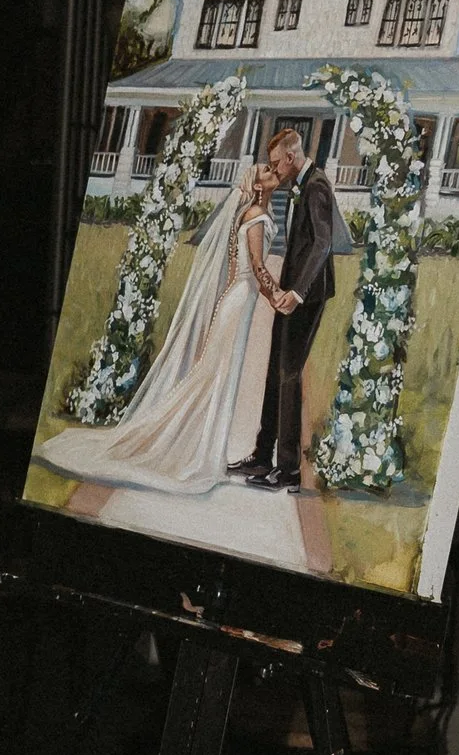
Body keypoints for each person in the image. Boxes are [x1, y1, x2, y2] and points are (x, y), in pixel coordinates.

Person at [40, 157, 275, 492]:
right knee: (220, 375)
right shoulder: (255, 216)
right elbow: (256, 265)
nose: (272, 173)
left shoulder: (251, 213)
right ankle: (201, 454)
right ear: (255, 184)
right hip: (241, 299)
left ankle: (209, 449)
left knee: (221, 375)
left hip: (238, 299)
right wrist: (278, 294)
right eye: (266, 171)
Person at [232, 122, 345, 490]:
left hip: (307, 295)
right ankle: (263, 456)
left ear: (292, 157)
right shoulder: (299, 185)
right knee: (273, 371)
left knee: (290, 374)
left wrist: (295, 293)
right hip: (290, 292)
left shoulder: (316, 186)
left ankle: (289, 470)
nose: (275, 170)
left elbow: (321, 244)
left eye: (277, 163)